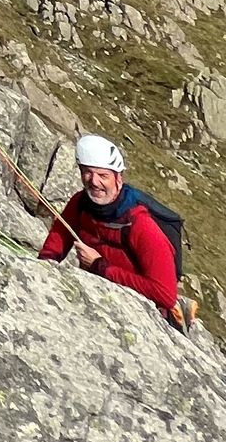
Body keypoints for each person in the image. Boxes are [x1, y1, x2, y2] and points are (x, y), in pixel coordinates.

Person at [37, 132, 179, 315]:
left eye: (103, 175)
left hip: (138, 312)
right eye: (87, 173)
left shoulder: (140, 225)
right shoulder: (80, 203)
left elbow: (165, 295)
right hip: (95, 297)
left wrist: (100, 266)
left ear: (118, 179)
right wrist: (43, 267)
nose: (94, 182)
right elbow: (59, 236)